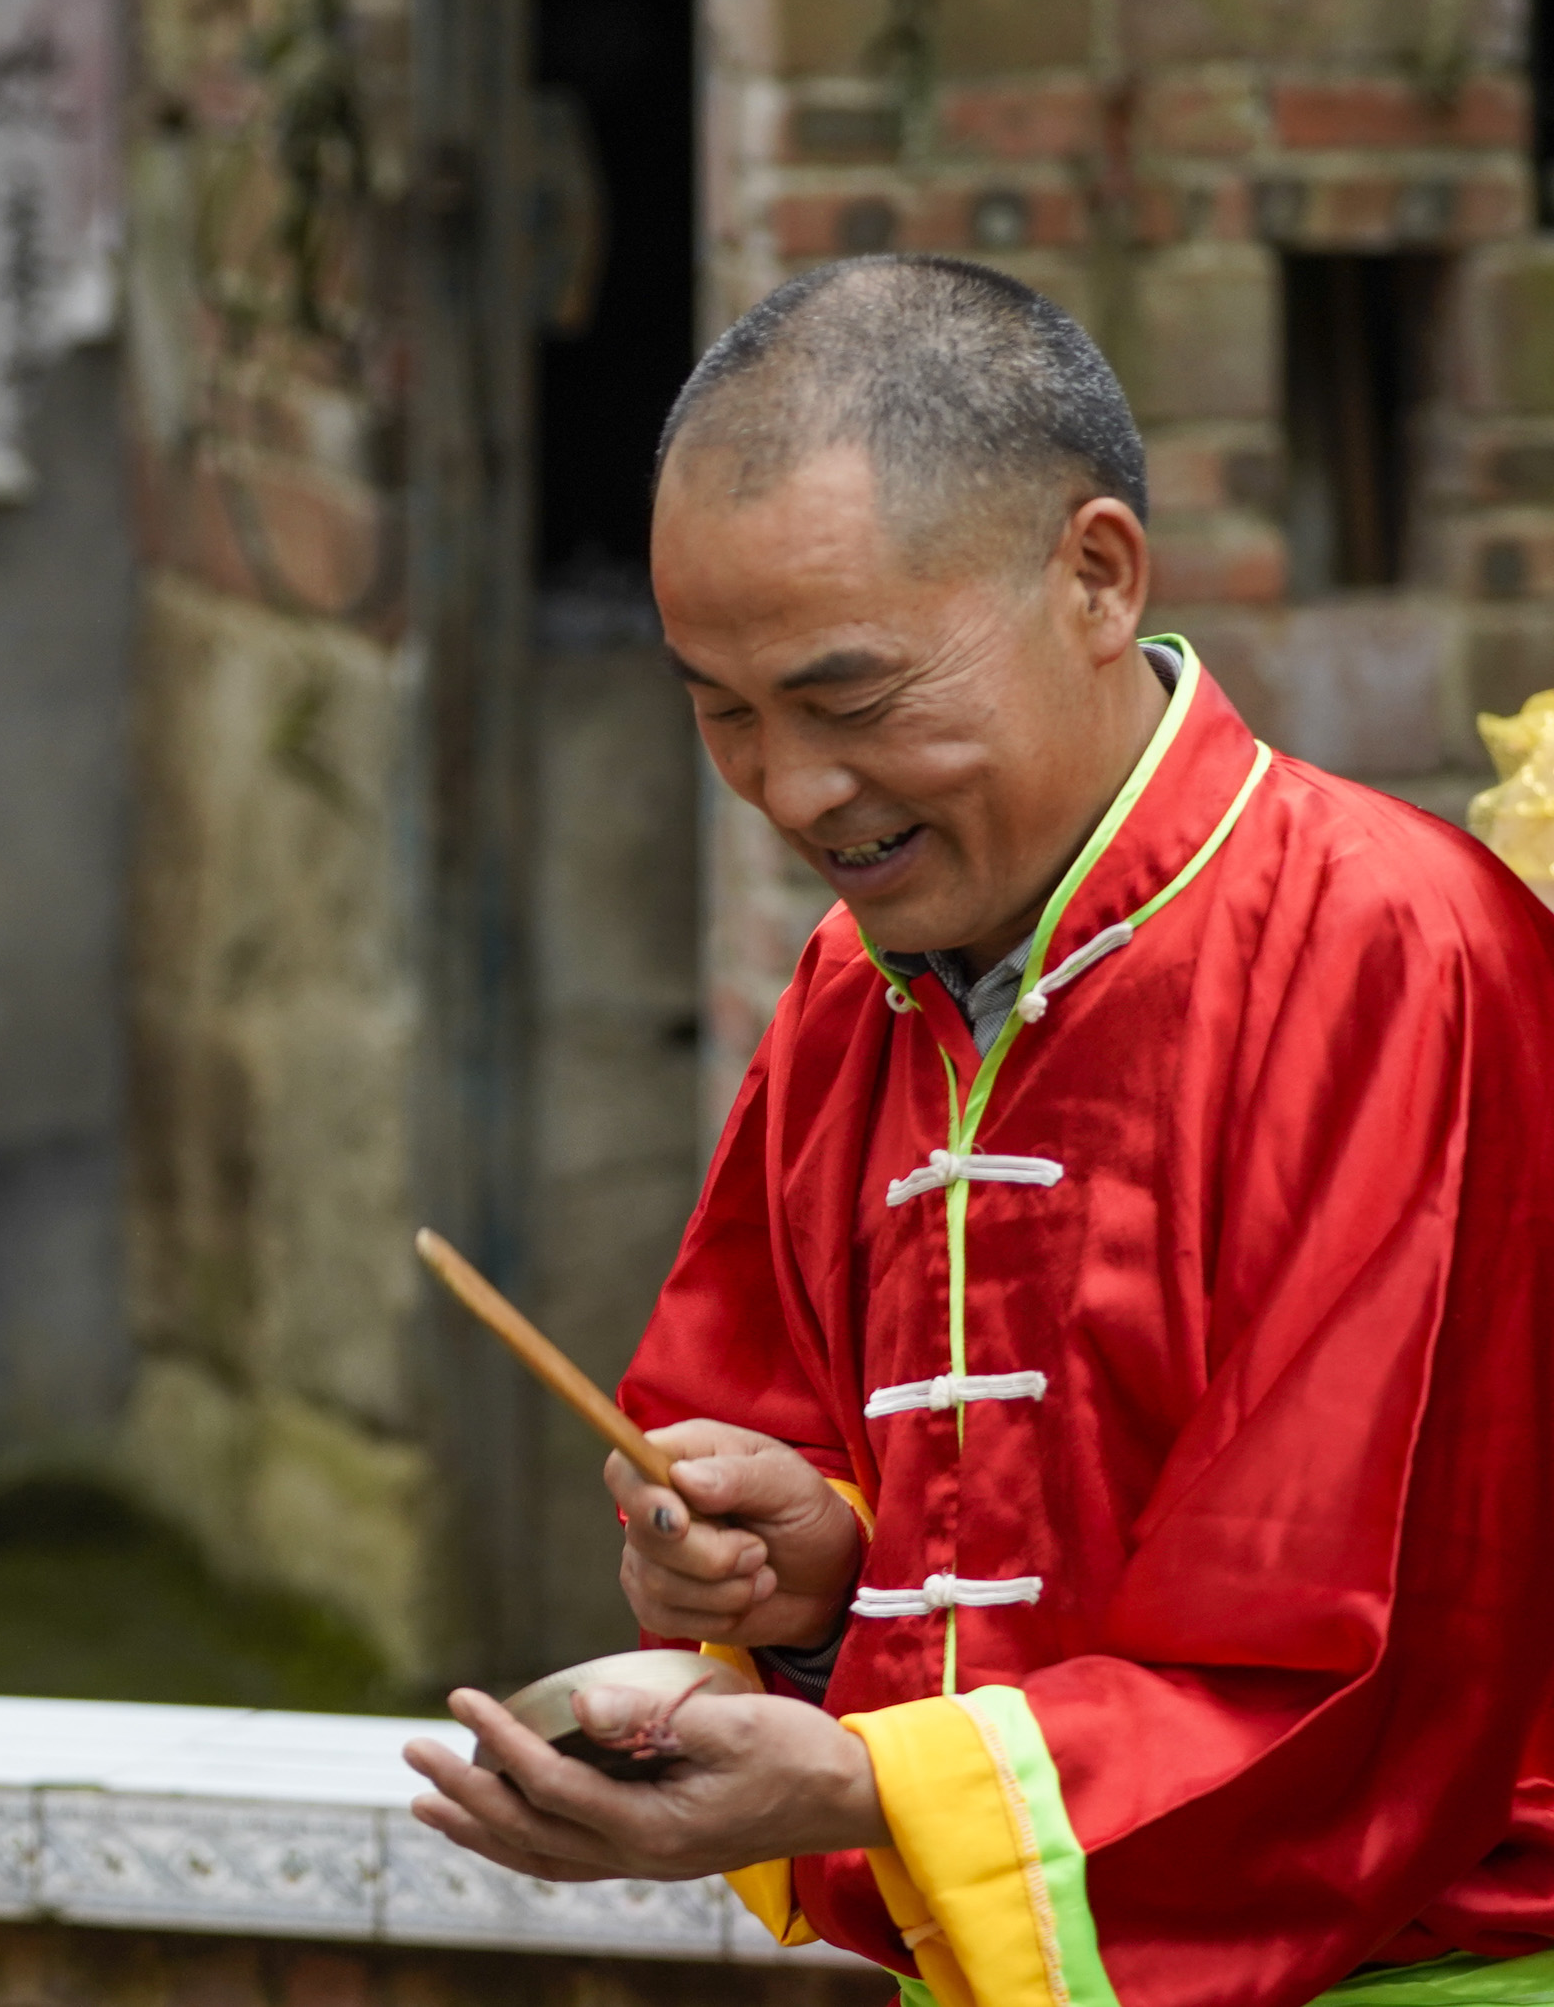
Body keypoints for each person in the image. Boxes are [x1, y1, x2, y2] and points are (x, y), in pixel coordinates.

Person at [403, 257, 1554, 2004]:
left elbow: (1364, 1647)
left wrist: (868, 1781)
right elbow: (798, 1454)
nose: (792, 791)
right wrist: (799, 1578)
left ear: (1095, 576)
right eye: (721, 709)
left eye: (850, 703)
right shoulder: (846, 987)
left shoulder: (1401, 952)